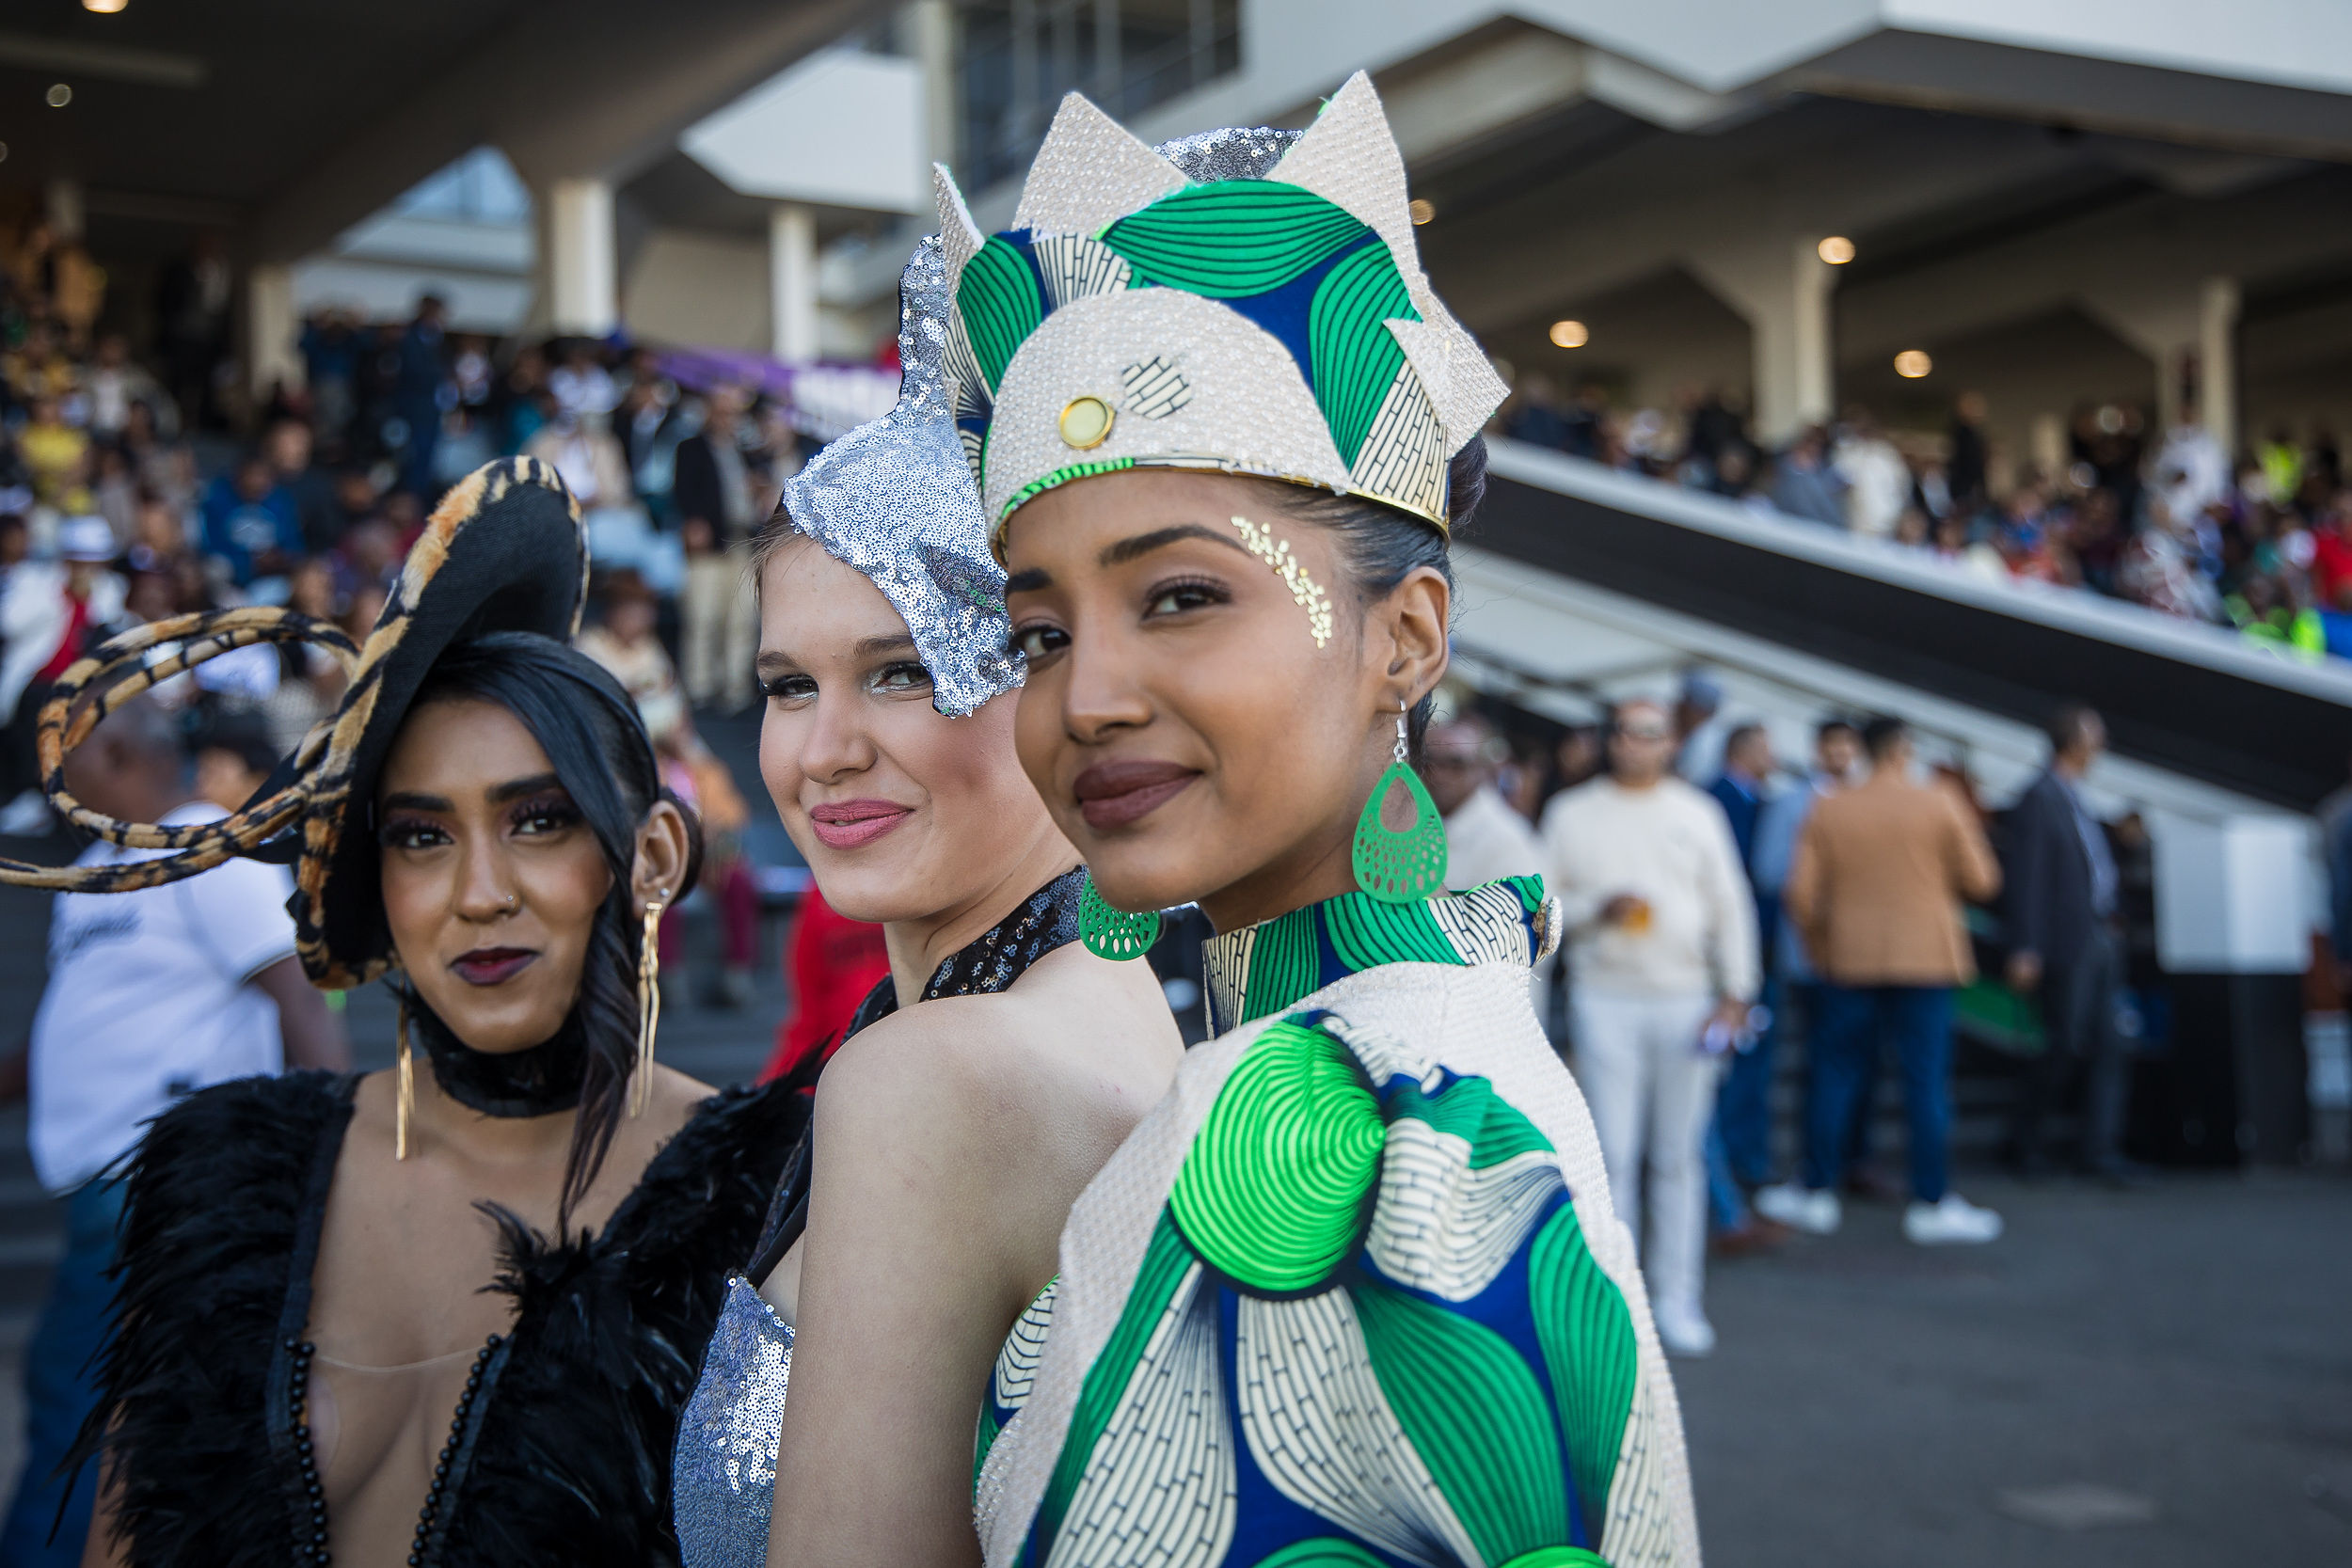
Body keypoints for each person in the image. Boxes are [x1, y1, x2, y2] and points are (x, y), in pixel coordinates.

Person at [947, 84, 1698, 1565]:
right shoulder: (1299, 1064)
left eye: (1180, 594)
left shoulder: (1430, 1144)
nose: (1085, 696)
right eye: (1039, 633)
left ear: (1406, 639)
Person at [8, 458, 803, 1567]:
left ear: (652, 856)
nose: (480, 892)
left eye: (538, 820)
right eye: (422, 835)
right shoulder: (223, 1178)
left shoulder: (766, 1211)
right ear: (377, 880)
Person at [668, 240, 1183, 1568]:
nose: (822, 748)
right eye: (789, 686)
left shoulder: (940, 1070)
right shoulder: (1093, 1004)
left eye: (901, 672)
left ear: (1051, 678)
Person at [0, 698, 348, 1567]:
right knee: (105, 1402)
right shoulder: (97, 868)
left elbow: (296, 995)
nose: (46, 782)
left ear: (111, 750)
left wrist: (344, 1149)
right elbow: (72, 1026)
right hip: (107, 1190)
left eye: (57, 758)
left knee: (78, 1399)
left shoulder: (201, 843)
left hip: (160, 1181)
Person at [1546, 697, 1760, 1356]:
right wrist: (1593, 908)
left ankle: (1677, 1296)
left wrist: (1738, 991)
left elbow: (1731, 904)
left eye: (1651, 733)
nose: (1637, 743)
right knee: (1611, 1152)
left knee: (1678, 1154)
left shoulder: (1698, 812)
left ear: (1671, 742)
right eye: (1627, 732)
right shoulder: (1571, 812)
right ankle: (1620, 1300)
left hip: (1685, 998)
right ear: (1611, 740)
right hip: (1604, 993)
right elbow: (1542, 904)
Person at [1759, 717, 2006, 1245]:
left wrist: (1827, 949)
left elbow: (1800, 895)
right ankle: (1931, 1200)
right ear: (1903, 750)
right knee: (1925, 1082)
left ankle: (1817, 1190)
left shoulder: (1830, 806)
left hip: (1850, 960)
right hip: (1929, 961)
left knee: (1834, 1073)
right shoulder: (1938, 800)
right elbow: (1983, 880)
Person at [2003, 704, 2137, 1180]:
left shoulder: (2077, 796)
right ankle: (2027, 1143)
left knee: (2109, 1045)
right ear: (2075, 742)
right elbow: (2029, 877)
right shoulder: (2040, 797)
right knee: (2063, 1044)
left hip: (2101, 935)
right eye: (2096, 735)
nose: (2102, 744)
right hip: (2067, 943)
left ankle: (2101, 1151)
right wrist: (2026, 947)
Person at [1740, 718, 1861, 1190]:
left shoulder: (1864, 801)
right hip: (1809, 953)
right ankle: (1811, 1169)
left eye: (1848, 747)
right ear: (1818, 751)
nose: (1842, 756)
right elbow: (1769, 871)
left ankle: (1840, 1164)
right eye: (1834, 747)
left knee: (1847, 1066)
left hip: (1862, 955)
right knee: (1817, 1064)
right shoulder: (1793, 803)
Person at [0, 515, 126, 828]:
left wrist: (87, 598)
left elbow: (110, 632)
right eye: (80, 560)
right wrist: (61, 595)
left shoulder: (111, 588)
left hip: (86, 683)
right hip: (37, 683)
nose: (87, 568)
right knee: (40, 708)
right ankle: (31, 796)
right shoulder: (35, 580)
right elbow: (11, 623)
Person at [672, 384, 760, 711]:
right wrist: (693, 522)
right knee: (703, 615)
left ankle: (734, 688)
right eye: (723, 411)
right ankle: (699, 686)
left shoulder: (747, 451)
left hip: (743, 541)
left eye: (734, 413)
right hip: (708, 544)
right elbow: (682, 490)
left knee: (741, 619)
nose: (728, 419)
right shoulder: (691, 447)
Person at [1422, 708, 1544, 890]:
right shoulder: (1407, 817)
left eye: (1456, 765)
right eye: (1429, 762)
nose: (1439, 774)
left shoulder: (1506, 841)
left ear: (1482, 769)